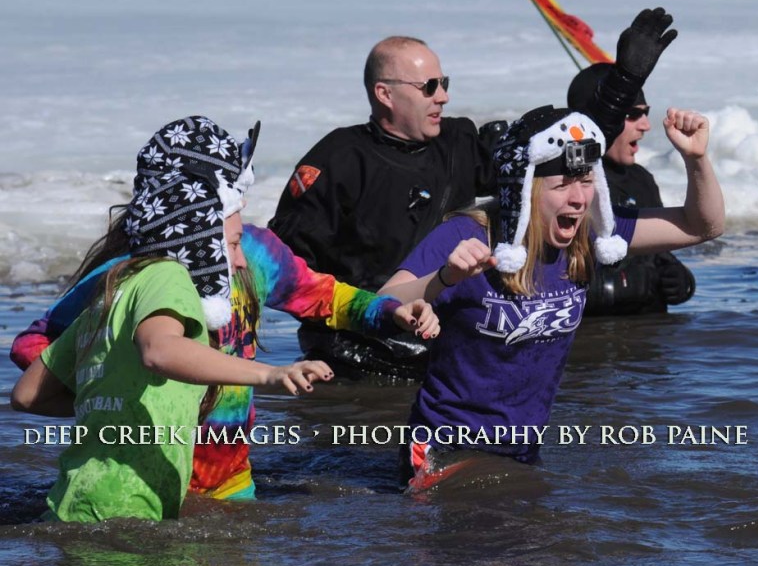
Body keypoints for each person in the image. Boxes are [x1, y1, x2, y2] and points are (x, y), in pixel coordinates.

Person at [10, 116, 439, 510]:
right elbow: (35, 344)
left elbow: (325, 297)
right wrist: (110, 401)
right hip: (140, 471)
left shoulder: (252, 253)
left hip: (231, 481)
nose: (239, 221)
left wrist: (390, 312)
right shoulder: (124, 278)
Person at [268, 8, 679, 378]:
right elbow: (278, 266)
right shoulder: (340, 159)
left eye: (444, 83)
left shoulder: (459, 144)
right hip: (355, 359)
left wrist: (623, 83)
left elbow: (550, 148)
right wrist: (360, 312)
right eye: (429, 86)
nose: (443, 96)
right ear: (385, 94)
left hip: (438, 353)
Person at [378, 104, 724, 491]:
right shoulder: (469, 237)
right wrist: (443, 278)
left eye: (587, 181)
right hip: (444, 450)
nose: (579, 199)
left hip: (521, 450)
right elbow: (383, 299)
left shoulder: (590, 236)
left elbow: (702, 226)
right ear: (525, 189)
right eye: (562, 185)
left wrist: (696, 159)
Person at [568, 62, 696, 314]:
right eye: (632, 115)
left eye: (645, 113)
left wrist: (681, 280)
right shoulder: (567, 184)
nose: (646, 125)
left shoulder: (641, 180)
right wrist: (618, 284)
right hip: (591, 339)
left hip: (645, 341)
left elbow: (662, 254)